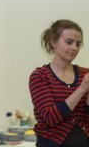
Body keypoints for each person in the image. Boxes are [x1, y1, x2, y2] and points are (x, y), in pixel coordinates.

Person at [29, 19, 89, 147]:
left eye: (78, 44)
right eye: (69, 42)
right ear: (53, 42)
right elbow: (50, 117)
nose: (74, 48)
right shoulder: (40, 76)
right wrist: (81, 90)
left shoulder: (85, 74)